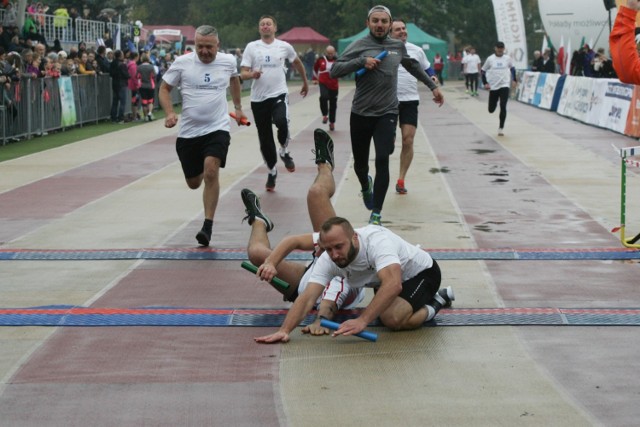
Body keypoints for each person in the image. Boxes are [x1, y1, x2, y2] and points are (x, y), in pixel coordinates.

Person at [253, 173, 454, 343]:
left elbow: (393, 285)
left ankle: (436, 302)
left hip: (421, 274)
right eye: (328, 249)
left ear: (354, 238)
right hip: (384, 278)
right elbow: (307, 298)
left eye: (339, 247)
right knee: (384, 311)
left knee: (393, 320)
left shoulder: (377, 242)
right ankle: (424, 303)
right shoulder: (329, 257)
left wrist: (362, 321)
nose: (335, 254)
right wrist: (284, 330)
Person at [243, 129, 366, 335]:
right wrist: (272, 263)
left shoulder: (340, 279)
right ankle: (325, 165)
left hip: (303, 285)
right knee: (316, 194)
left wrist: (320, 320)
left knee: (256, 253)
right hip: (316, 274)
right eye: (331, 250)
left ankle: (258, 221)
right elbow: (293, 241)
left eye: (336, 250)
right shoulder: (338, 257)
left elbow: (329, 302)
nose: (333, 254)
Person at [330, 5, 444, 226]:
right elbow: (335, 70)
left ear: (390, 24)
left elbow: (413, 67)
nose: (380, 25)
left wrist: (433, 87)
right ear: (368, 23)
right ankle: (365, 184)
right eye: (375, 21)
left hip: (388, 112)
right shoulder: (359, 45)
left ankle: (376, 213)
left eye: (384, 21)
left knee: (383, 158)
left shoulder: (396, 46)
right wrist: (361, 62)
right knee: (361, 165)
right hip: (361, 112)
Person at [159, 25, 247, 247]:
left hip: (217, 128)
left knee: (211, 171)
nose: (205, 51)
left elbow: (235, 80)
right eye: (200, 47)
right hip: (189, 133)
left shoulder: (228, 61)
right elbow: (164, 89)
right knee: (193, 182)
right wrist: (169, 113)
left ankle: (207, 226)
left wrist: (238, 107)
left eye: (209, 47)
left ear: (217, 45)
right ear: (194, 45)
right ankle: (197, 174)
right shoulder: (182, 63)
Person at [240, 15, 309, 191]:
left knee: (281, 122)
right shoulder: (252, 47)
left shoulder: (284, 46)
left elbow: (298, 62)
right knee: (265, 139)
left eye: (268, 24)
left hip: (279, 93)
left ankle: (284, 151)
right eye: (262, 24)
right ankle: (271, 171)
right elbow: (243, 73)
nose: (265, 26)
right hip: (258, 99)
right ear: (259, 29)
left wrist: (305, 81)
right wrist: (252, 74)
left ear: (274, 28)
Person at [389, 18, 439, 195]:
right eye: (397, 29)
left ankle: (401, 179)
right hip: (388, 101)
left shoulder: (416, 50)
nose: (402, 31)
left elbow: (427, 68)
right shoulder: (383, 50)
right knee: (388, 144)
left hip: (410, 100)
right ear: (390, 33)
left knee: (408, 140)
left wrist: (432, 78)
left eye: (404, 28)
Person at [481, 41, 516, 136]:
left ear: (504, 49)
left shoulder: (507, 58)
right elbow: (483, 71)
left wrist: (514, 80)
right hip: (493, 86)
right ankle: (494, 104)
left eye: (502, 48)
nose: (500, 49)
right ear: (495, 48)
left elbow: (512, 68)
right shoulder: (490, 59)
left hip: (504, 85)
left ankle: (501, 127)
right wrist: (485, 83)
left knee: (503, 105)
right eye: (498, 47)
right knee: (491, 110)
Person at [312, 45, 339, 131]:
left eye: (332, 53)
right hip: (323, 82)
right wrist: (315, 79)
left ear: (334, 52)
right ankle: (324, 115)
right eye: (328, 53)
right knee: (323, 97)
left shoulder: (338, 60)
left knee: (333, 104)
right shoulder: (321, 59)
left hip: (334, 85)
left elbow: (343, 69)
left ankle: (332, 122)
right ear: (325, 52)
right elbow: (315, 69)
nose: (330, 55)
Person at [109, 49, 128, 123]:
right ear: (120, 56)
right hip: (122, 84)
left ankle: (113, 117)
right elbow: (126, 75)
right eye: (122, 54)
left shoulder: (112, 63)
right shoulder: (122, 65)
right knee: (122, 102)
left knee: (115, 102)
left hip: (115, 84)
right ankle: (121, 118)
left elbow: (111, 73)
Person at [137, 52, 156, 121]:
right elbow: (154, 75)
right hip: (150, 85)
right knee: (150, 101)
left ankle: (145, 117)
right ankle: (150, 113)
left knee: (144, 102)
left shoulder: (139, 67)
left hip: (142, 86)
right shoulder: (151, 67)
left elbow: (137, 76)